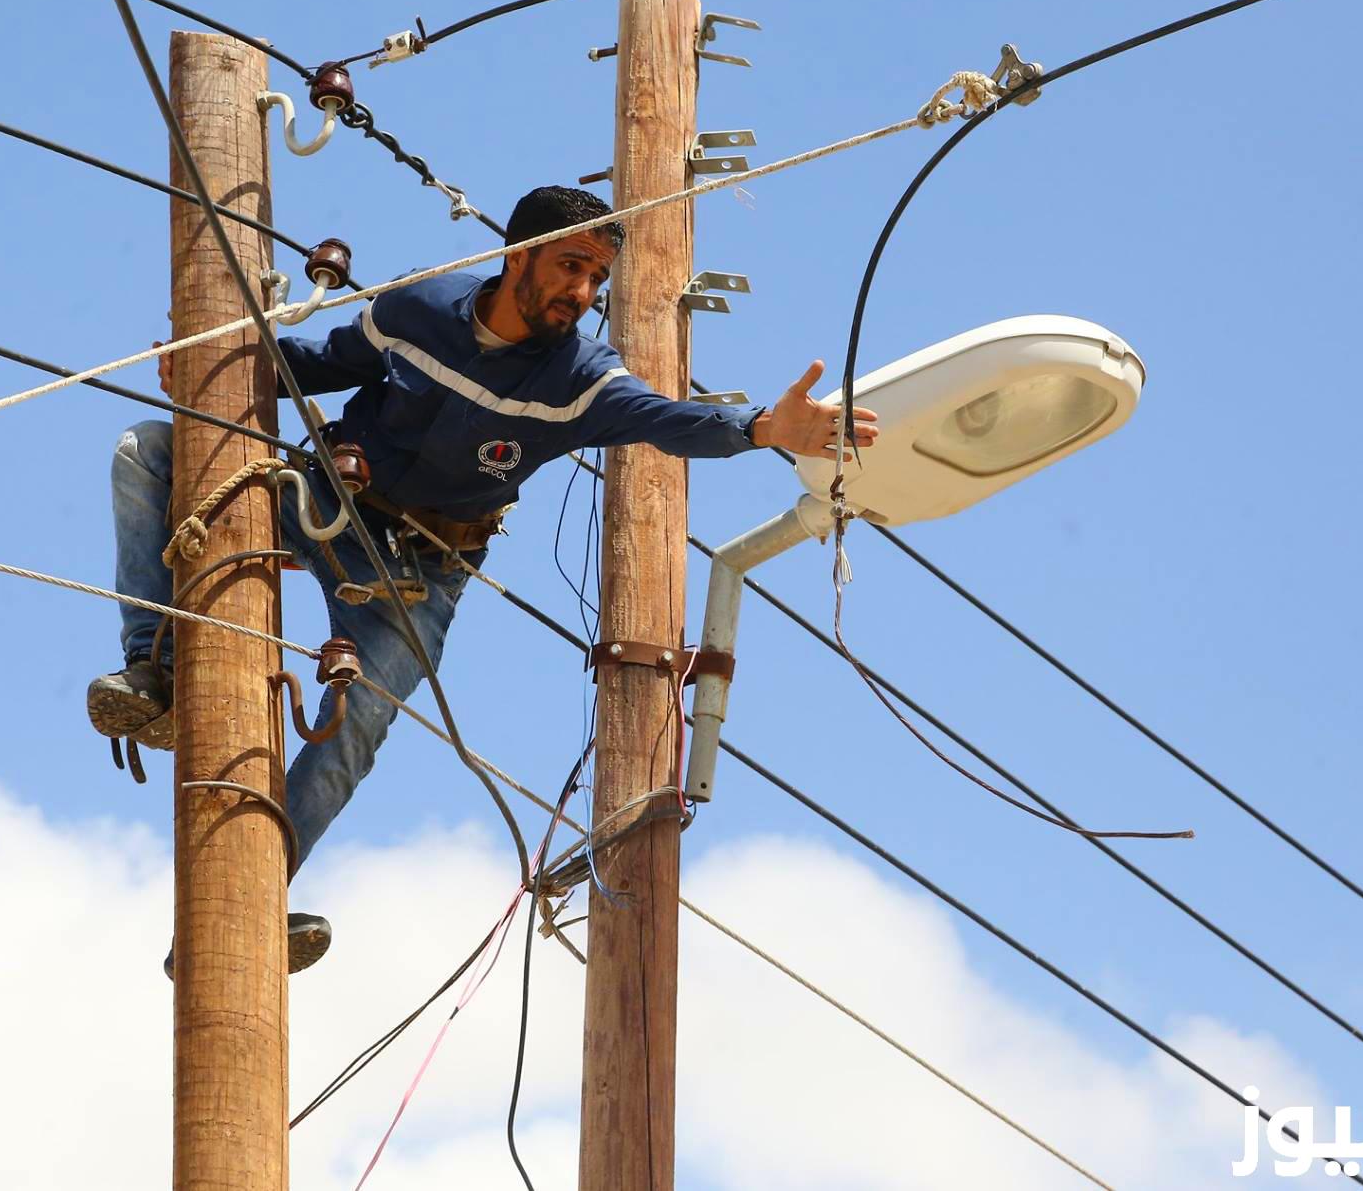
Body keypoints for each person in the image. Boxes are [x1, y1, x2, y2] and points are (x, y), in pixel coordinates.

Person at [89, 186, 877, 973]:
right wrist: (213, 358)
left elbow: (666, 420)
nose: (582, 292)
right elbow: (319, 366)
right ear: (516, 256)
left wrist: (763, 429)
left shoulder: (581, 379)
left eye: (596, 279)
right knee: (145, 451)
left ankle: (246, 898)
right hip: (322, 500)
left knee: (355, 727)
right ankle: (153, 672)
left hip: (418, 571)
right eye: (571, 266)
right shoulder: (417, 309)